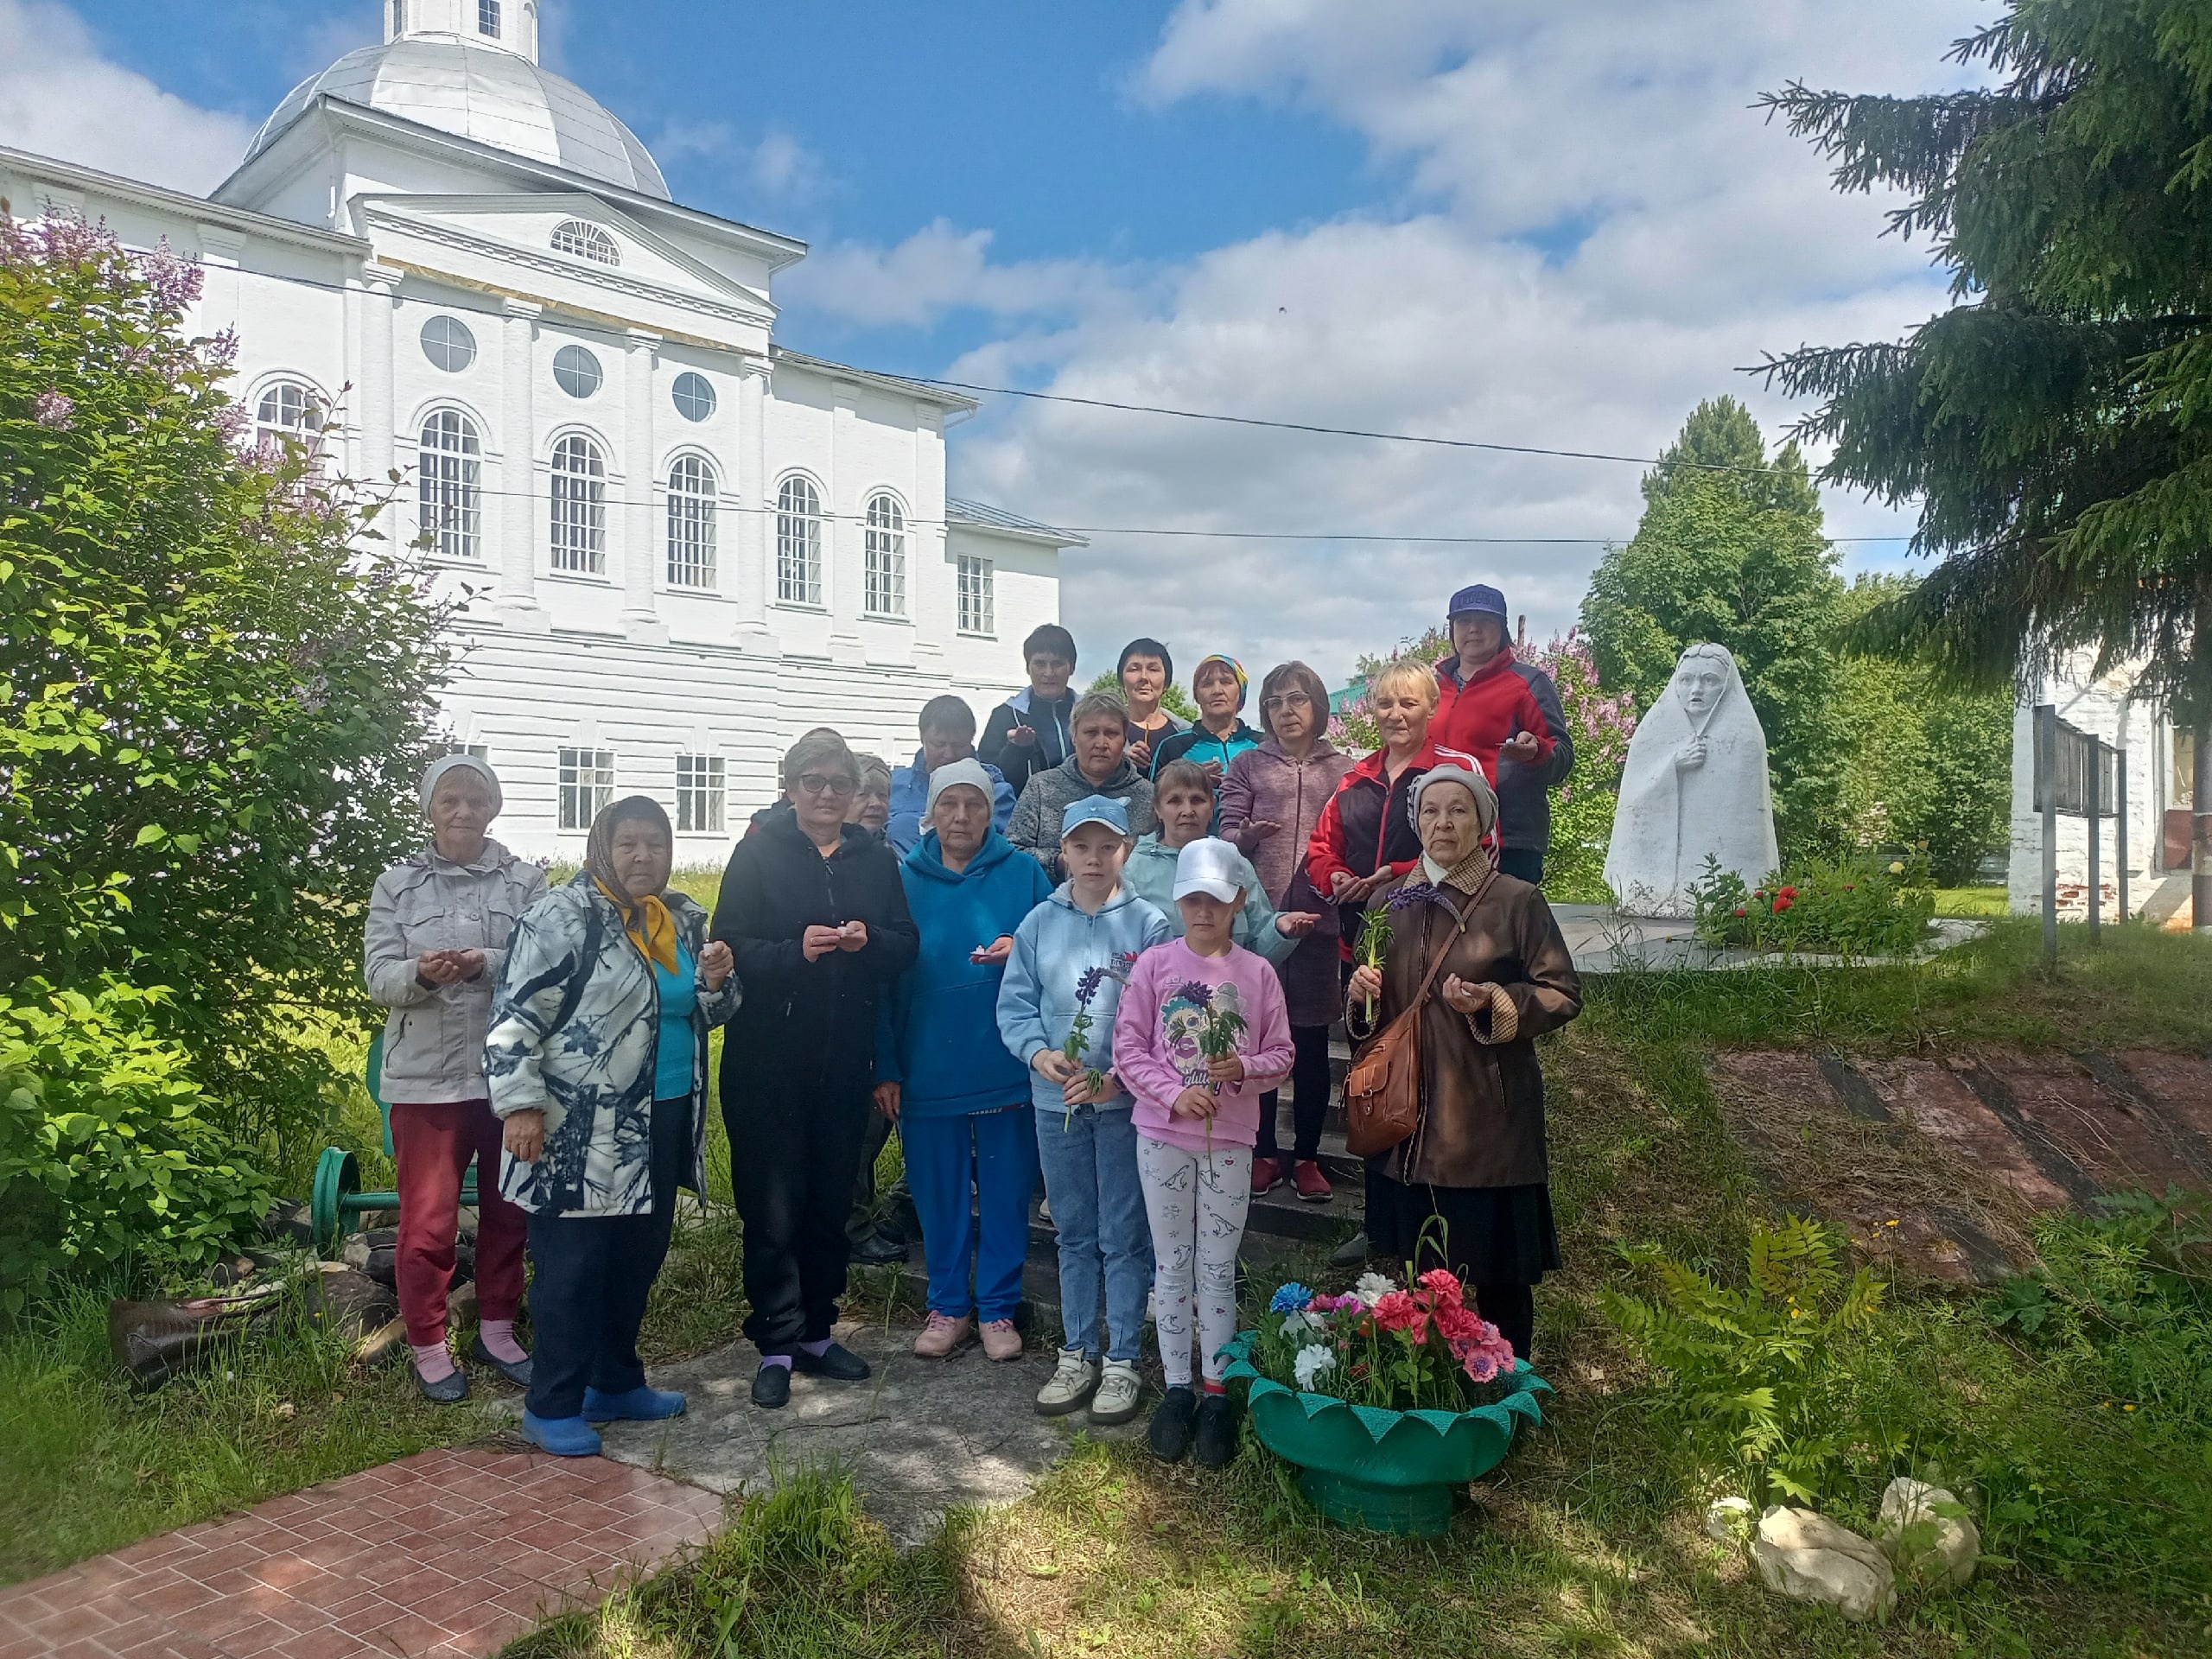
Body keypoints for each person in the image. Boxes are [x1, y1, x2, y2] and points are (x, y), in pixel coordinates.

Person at [486, 796, 740, 1455]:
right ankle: (552, 1404)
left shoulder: (679, 918)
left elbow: (702, 1013)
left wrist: (718, 980)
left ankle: (616, 1383)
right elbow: (514, 1016)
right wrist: (518, 1106)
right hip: (575, 1130)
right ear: (602, 847)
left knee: (637, 1258)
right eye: (627, 844)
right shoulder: (560, 917)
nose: (642, 857)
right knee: (572, 1270)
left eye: (654, 844)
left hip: (661, 1118)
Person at [1345, 766, 1581, 1362]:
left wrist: (1494, 1002)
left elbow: (1561, 994)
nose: (1442, 823)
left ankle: (1509, 1387)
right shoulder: (1385, 902)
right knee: (1421, 1276)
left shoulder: (1516, 900)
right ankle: (1434, 1384)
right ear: (1415, 821)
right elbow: (1374, 1020)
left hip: (1488, 1127)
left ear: (1483, 823)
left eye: (1458, 810)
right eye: (1430, 811)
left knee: (1502, 1278)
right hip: (1408, 1123)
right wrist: (1360, 997)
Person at [713, 730, 919, 1409]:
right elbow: (730, 944)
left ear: (855, 792)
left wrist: (868, 941)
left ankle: (820, 1332)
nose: (827, 794)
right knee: (773, 1206)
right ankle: (775, 1340)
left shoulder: (875, 859)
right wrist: (792, 952)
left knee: (831, 1199)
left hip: (843, 1060)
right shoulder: (756, 851)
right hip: (767, 1059)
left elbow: (904, 945)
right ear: (790, 786)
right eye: (813, 781)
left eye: (839, 783)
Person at [363, 754, 545, 1402]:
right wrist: (421, 974)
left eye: (476, 800)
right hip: (426, 1086)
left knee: (510, 1212)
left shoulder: (526, 882)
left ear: (494, 808)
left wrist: (482, 962)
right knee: (429, 1222)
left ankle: (498, 1330)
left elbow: (545, 961)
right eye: (451, 801)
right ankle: (429, 1345)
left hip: (510, 1083)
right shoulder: (398, 886)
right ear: (429, 810)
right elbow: (377, 974)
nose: (464, 812)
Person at [1113, 837, 1294, 1467]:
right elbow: (1129, 1048)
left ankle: (1217, 1392)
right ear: (1178, 899)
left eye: (1217, 900)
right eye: (1192, 899)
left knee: (1216, 1266)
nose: (1204, 912)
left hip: (1230, 1143)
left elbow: (1282, 1054)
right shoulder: (1156, 966)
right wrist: (1172, 1094)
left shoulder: (1258, 972)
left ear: (1239, 900)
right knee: (1173, 1265)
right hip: (1163, 1138)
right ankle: (1177, 1389)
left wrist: (1241, 1066)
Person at [997, 796, 1171, 1427]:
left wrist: (1118, 1078)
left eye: (1107, 846)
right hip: (1055, 1103)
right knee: (1072, 1231)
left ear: (1125, 850)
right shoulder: (1040, 921)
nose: (1093, 859)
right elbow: (1016, 1005)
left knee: (1123, 1235)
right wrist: (1040, 1054)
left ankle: (1122, 1359)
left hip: (1124, 1106)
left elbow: (1160, 1022)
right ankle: (1077, 1352)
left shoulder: (1149, 925)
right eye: (1081, 847)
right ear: (1062, 852)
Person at [875, 760, 1056, 1361]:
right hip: (928, 1065)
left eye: (973, 804)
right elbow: (884, 984)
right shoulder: (904, 881)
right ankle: (949, 1305)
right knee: (937, 1192)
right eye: (949, 803)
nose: (961, 816)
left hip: (1005, 1063)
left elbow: (1059, 959)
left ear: (991, 811)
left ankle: (999, 1310)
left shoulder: (1024, 873)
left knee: (1006, 1192)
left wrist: (1022, 953)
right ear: (931, 810)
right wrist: (886, 1065)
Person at [1306, 658, 1479, 1266]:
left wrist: (1395, 876)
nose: (1396, 714)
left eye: (1409, 703)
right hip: (1365, 957)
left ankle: (1436, 1228)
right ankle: (1380, 1226)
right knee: (1371, 1088)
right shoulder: (1354, 781)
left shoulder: (1455, 774)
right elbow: (1319, 849)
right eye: (1385, 703)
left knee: (1431, 1091)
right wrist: (1342, 879)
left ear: (1433, 707)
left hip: (1434, 955)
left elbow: (1483, 844)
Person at [1218, 661, 1357, 1203]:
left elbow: (1354, 837)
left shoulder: (1346, 769)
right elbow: (1225, 833)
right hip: (1257, 930)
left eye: (1297, 699)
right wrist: (1245, 836)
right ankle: (1262, 1152)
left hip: (1319, 928)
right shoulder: (1249, 764)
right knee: (1253, 1044)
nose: (1287, 710)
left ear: (1319, 707)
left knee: (1311, 1045)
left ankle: (1306, 1156)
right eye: (1276, 702)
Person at [1430, 584, 1572, 886]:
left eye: (1485, 621)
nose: (1473, 629)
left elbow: (1563, 758)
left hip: (1509, 845)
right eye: (1464, 621)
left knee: (1501, 933)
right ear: (1451, 629)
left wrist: (1536, 753)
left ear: (1503, 629)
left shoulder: (1529, 683)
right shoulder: (1430, 687)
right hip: (1438, 841)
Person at [1126, 760, 1314, 968]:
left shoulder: (1235, 865)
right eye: (1175, 801)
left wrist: (1278, 932)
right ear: (1158, 810)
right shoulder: (1133, 869)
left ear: (1212, 806)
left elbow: (1256, 954)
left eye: (1197, 800)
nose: (1188, 810)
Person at [1006, 691, 1159, 880]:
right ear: (1074, 737)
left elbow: (1159, 858)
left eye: (1111, 733)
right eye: (1091, 732)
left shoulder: (1149, 795)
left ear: (1124, 738)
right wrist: (1061, 862)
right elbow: (1011, 854)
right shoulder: (1040, 787)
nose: (1101, 743)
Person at [887, 694, 1016, 856]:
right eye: (939, 744)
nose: (949, 754)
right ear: (922, 738)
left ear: (971, 740)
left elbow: (1004, 848)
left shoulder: (997, 791)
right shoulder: (891, 785)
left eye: (958, 745)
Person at [980, 624, 1080, 798]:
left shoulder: (1091, 714)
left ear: (1071, 668)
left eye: (1057, 664)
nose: (1048, 673)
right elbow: (987, 779)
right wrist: (1016, 750)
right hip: (1026, 818)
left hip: (1083, 817)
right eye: (1040, 664)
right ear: (1028, 667)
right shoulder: (1005, 716)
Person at [1149, 655, 1262, 796]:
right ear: (1196, 695)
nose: (1217, 690)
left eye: (1226, 682)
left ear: (1241, 691)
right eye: (1207, 684)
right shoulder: (1172, 747)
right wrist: (1189, 780)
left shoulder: (1265, 745)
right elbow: (1152, 802)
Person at [1116, 638, 1187, 774]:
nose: (1144, 677)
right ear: (1121, 680)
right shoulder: (1103, 731)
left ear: (1166, 682)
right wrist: (1118, 762)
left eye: (1153, 669)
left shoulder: (1186, 735)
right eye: (1134, 669)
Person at [850, 756, 893, 841]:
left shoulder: (889, 852)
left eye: (882, 795)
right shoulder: (820, 850)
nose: (876, 803)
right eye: (863, 794)